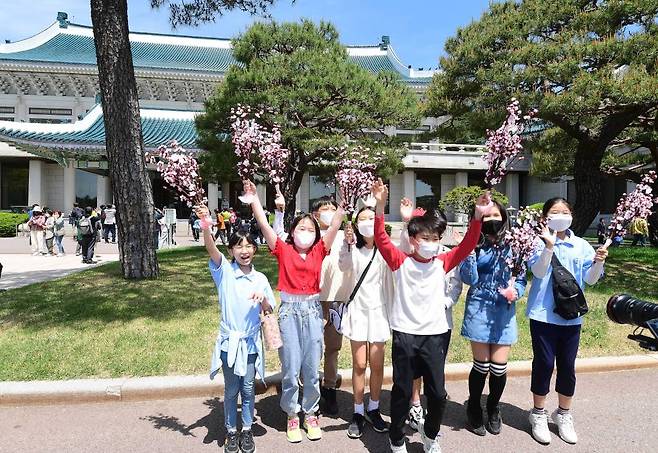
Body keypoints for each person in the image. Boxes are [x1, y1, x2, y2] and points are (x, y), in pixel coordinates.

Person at [371, 178, 490, 453]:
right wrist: (380, 206)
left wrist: (477, 217)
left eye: (436, 239)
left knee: (437, 393)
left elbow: (467, 246)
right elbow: (380, 238)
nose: (431, 244)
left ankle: (431, 434)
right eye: (425, 239)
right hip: (405, 334)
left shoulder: (442, 262)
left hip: (435, 335)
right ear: (413, 240)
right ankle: (397, 437)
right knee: (402, 391)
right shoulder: (400, 261)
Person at [245, 179, 343, 444]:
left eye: (310, 229)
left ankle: (311, 413)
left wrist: (344, 205)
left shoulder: (320, 250)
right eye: (301, 227)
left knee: (311, 368)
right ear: (292, 231)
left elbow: (334, 226)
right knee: (290, 368)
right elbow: (265, 227)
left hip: (312, 310)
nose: (306, 232)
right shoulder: (283, 249)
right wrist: (255, 201)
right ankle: (292, 414)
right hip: (289, 311)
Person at [526, 197, 607, 446]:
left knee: (567, 366)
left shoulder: (581, 245)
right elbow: (538, 272)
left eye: (564, 211)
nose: (560, 215)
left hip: (571, 318)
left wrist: (598, 261)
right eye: (554, 211)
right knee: (544, 364)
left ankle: (563, 414)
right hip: (543, 315)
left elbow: (591, 280)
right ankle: (538, 413)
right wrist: (548, 246)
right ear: (545, 217)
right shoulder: (536, 243)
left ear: (571, 214)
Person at [195, 205, 274, 453]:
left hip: (250, 343)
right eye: (238, 246)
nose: (244, 250)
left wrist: (262, 299)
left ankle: (247, 429)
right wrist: (206, 224)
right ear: (231, 250)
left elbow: (269, 308)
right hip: (230, 343)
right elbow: (210, 248)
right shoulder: (224, 273)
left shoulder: (260, 278)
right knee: (231, 389)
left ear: (255, 250)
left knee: (249, 388)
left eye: (249, 246)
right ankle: (231, 431)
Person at [272, 194, 353, 416]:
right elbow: (279, 237)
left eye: (332, 208)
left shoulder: (342, 236)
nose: (329, 211)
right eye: (324, 208)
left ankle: (328, 390)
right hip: (311, 301)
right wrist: (278, 211)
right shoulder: (309, 239)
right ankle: (297, 400)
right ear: (315, 215)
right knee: (301, 354)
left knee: (331, 348)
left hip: (336, 299)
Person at [459, 200, 527, 436]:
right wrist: (470, 246)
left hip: (503, 309)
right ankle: (474, 406)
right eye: (486, 217)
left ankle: (493, 406)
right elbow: (468, 278)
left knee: (498, 367)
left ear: (504, 217)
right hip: (479, 305)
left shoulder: (516, 245)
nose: (491, 220)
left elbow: (521, 277)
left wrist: (516, 291)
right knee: (482, 364)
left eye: (495, 215)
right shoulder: (475, 244)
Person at [397, 199, 463, 433]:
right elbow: (406, 247)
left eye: (437, 234)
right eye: (429, 234)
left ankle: (430, 414)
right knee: (413, 369)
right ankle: (415, 403)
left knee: (434, 370)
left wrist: (445, 303)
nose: (433, 239)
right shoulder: (416, 250)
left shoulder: (446, 255)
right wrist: (407, 221)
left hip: (440, 322)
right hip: (413, 323)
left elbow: (456, 284)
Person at [338, 205, 393, 439]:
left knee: (378, 365)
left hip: (379, 312)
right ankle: (358, 411)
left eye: (372, 217)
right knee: (360, 364)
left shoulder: (386, 249)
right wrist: (346, 243)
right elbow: (343, 267)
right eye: (363, 218)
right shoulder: (352, 247)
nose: (368, 222)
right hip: (358, 311)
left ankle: (374, 407)